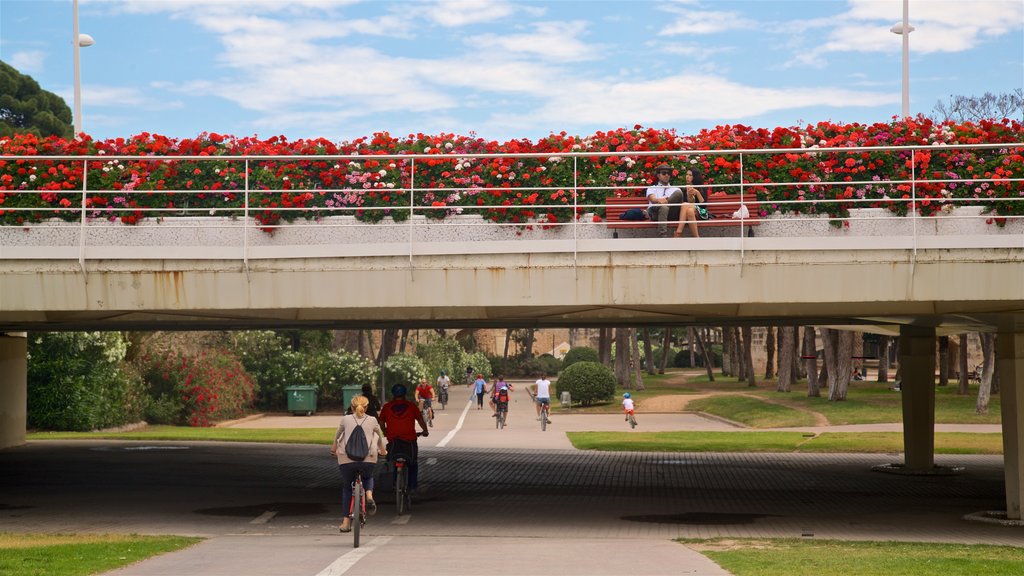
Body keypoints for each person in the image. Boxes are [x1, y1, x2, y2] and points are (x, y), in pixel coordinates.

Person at [331, 394, 387, 533]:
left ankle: (345, 522)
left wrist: (333, 449)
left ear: (351, 407)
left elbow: (338, 435)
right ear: (367, 407)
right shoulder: (373, 420)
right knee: (368, 477)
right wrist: (382, 450)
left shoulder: (345, 419)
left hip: (346, 460)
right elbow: (379, 438)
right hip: (368, 459)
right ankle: (369, 495)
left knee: (347, 487)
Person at [379, 384, 429, 490]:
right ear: (405, 394)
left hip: (393, 440)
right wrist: (425, 431)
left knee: (391, 461)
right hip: (409, 440)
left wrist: (385, 432)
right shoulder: (411, 406)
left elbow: (381, 422)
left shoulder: (387, 407)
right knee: (412, 462)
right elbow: (420, 420)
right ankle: (413, 486)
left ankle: (393, 482)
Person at [646, 163, 685, 237]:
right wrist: (660, 201)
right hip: (655, 213)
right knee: (663, 207)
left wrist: (664, 202)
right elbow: (653, 199)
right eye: (664, 173)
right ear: (658, 175)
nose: (667, 175)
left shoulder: (675, 189)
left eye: (668, 173)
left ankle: (662, 235)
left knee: (678, 193)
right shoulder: (652, 188)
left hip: (671, 213)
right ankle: (663, 235)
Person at [673, 167, 710, 238]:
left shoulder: (702, 187)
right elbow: (687, 205)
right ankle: (697, 238)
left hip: (701, 212)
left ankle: (678, 232)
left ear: (695, 177)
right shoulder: (685, 188)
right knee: (689, 211)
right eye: (687, 174)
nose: (687, 177)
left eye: (690, 175)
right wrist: (689, 195)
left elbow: (703, 206)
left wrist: (697, 193)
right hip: (691, 211)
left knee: (684, 205)